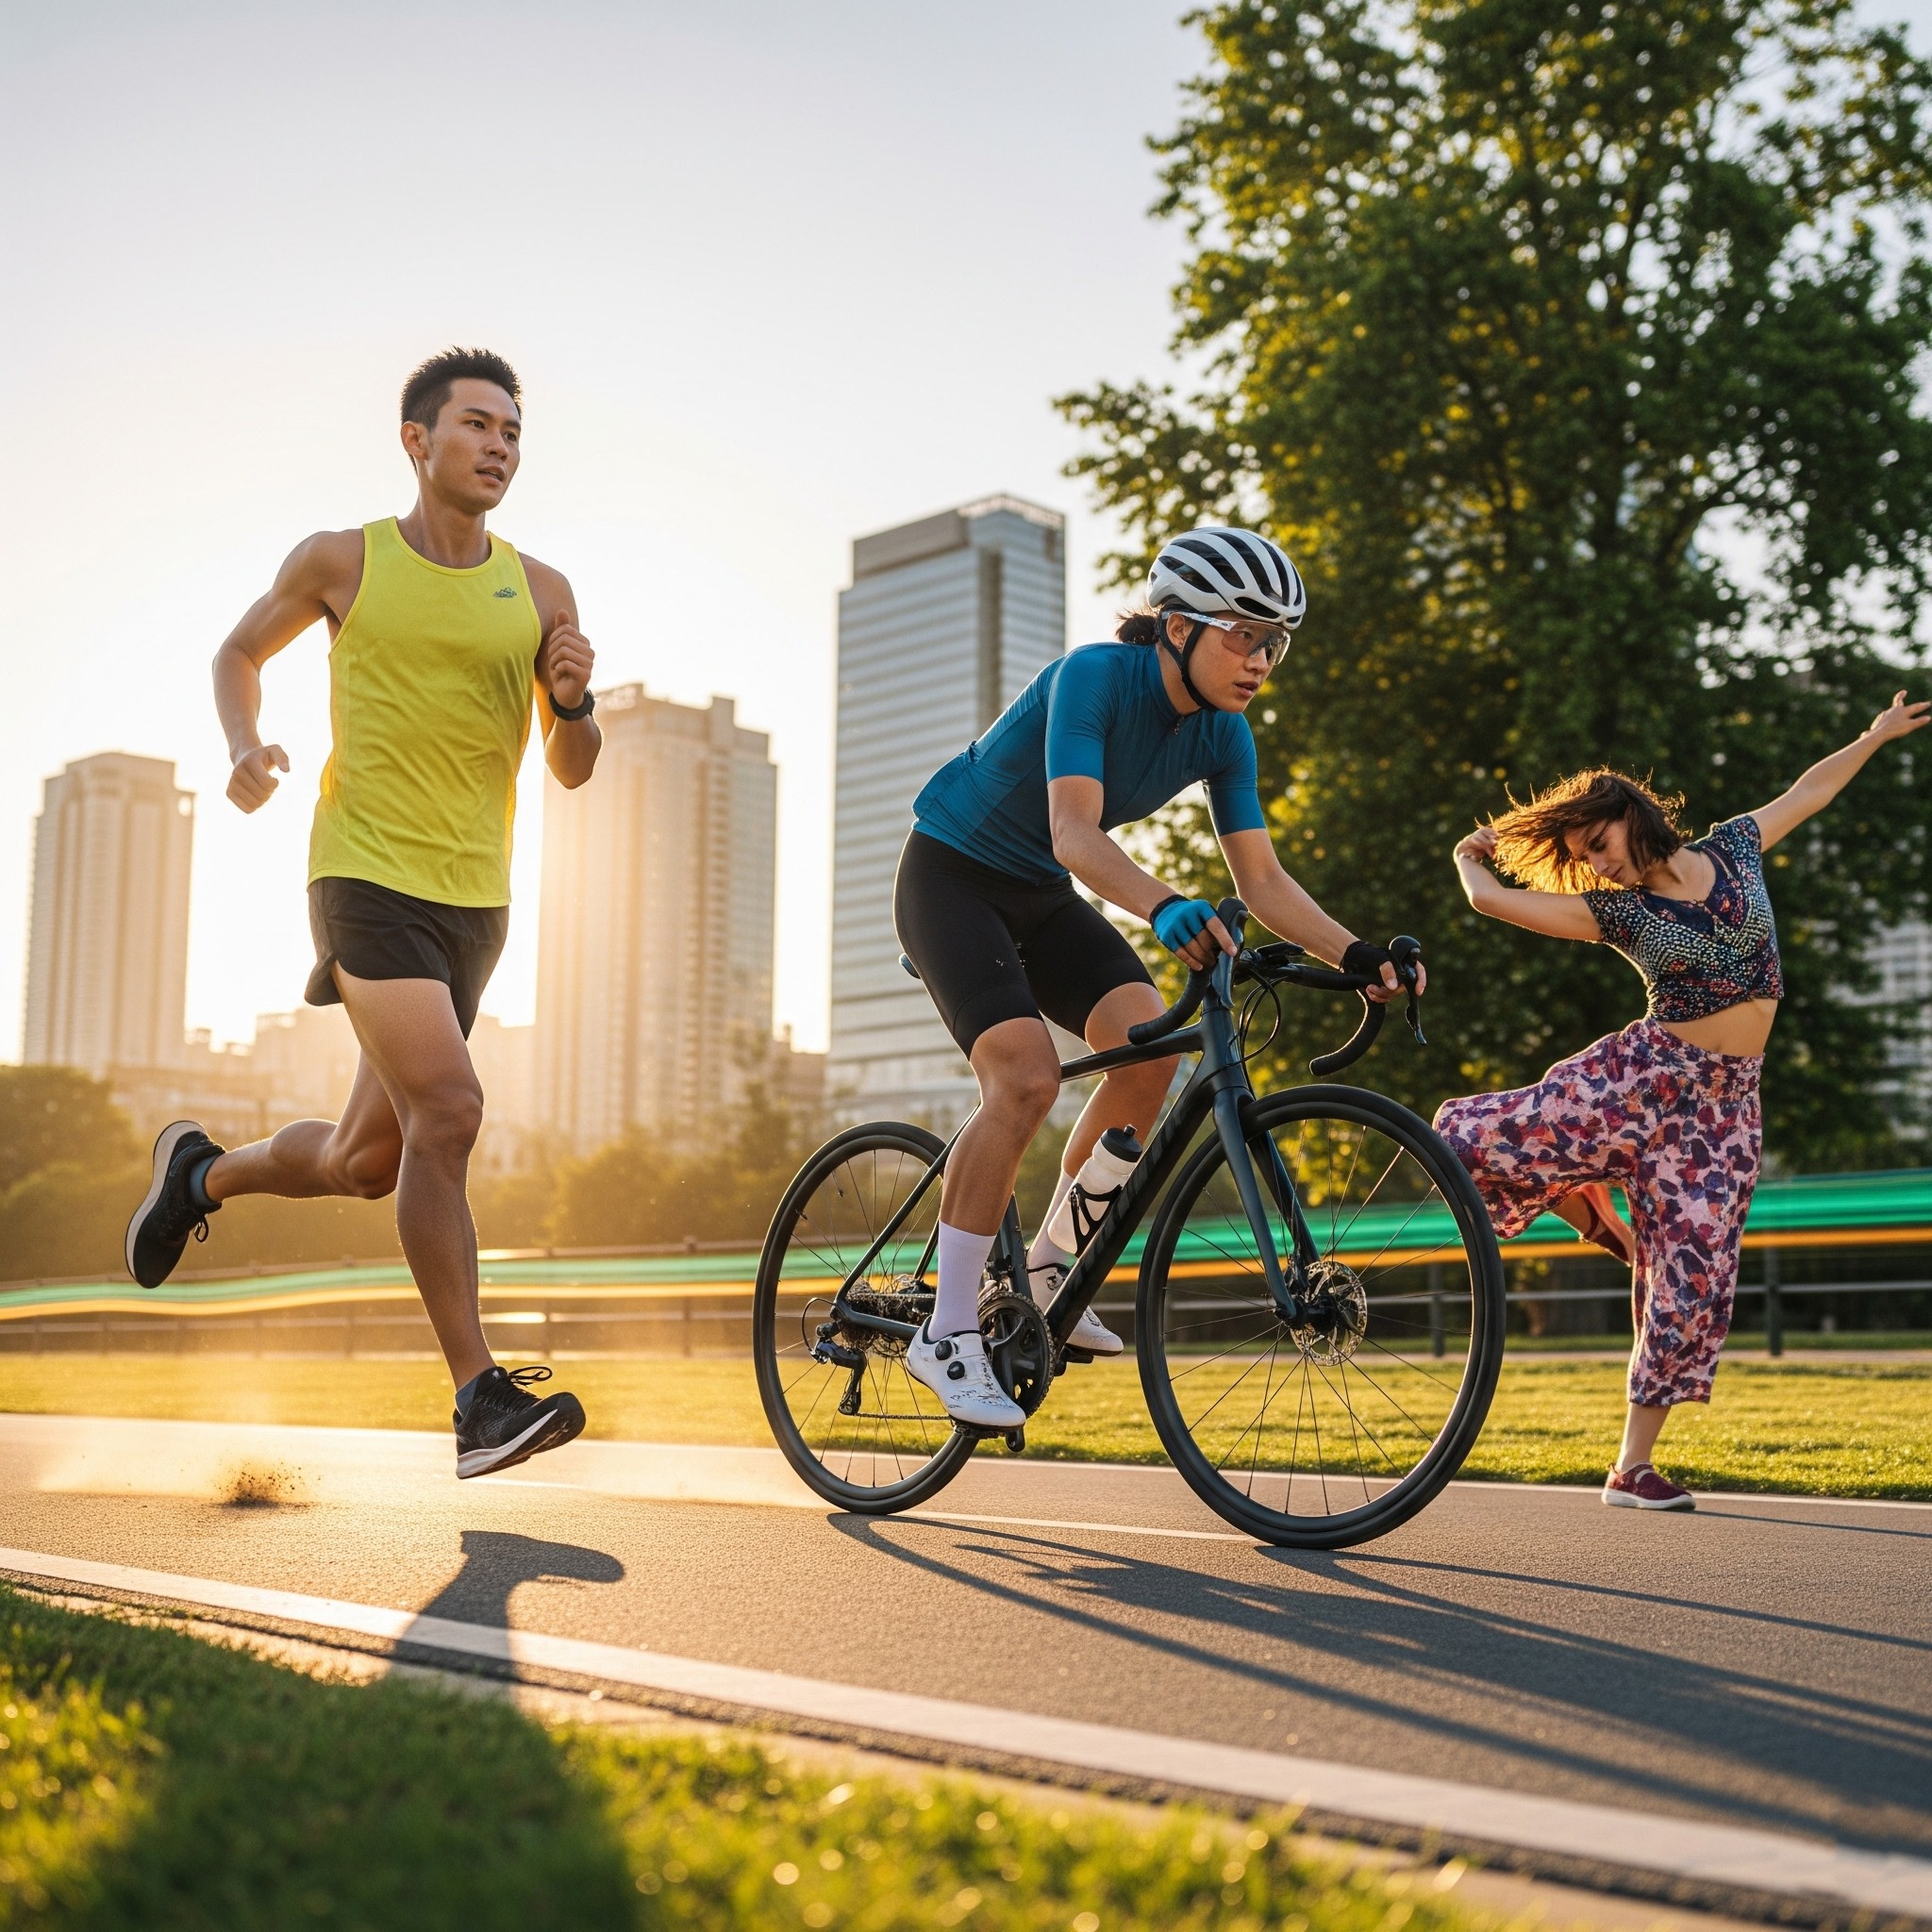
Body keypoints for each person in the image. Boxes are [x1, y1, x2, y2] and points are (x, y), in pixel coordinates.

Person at [124, 348, 603, 1478]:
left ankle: (199, 1172)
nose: (500, 445)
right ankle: (478, 1397)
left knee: (364, 1160)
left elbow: (572, 767)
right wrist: (245, 746)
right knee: (452, 1104)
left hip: (476, 903)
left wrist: (575, 699)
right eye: (478, 425)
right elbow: (239, 650)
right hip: (364, 877)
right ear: (416, 440)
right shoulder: (345, 559)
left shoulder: (541, 590)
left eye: (514, 432)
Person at [894, 527, 1423, 1427]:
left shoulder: (1225, 735)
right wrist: (1167, 905)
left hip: (1041, 897)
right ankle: (945, 1333)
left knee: (1149, 1053)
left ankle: (1054, 1261)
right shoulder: (1094, 676)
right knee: (1024, 1077)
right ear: (1177, 627)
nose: (1259, 659)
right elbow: (1075, 833)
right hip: (951, 877)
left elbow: (1263, 881)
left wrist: (1358, 954)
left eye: (1274, 642)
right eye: (1242, 635)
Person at [1436, 693, 1928, 1510]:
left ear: (1631, 814)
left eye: (1600, 843)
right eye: (1585, 857)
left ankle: (1632, 1468)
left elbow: (1808, 791)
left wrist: (1872, 738)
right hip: (1647, 1076)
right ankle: (1583, 1201)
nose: (1598, 864)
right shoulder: (1618, 913)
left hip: (1724, 1113)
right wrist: (1467, 855)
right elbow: (1491, 901)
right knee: (1477, 1137)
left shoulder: (1735, 846)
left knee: (1695, 1278)